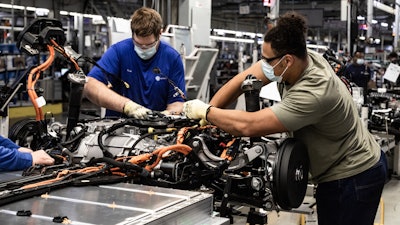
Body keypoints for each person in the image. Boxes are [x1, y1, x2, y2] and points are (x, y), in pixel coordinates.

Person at [183, 12, 386, 225]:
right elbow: (240, 80)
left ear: (287, 60)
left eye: (266, 60)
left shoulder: (316, 91)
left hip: (354, 174)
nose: (263, 65)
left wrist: (205, 112)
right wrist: (208, 114)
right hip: (336, 169)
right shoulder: (296, 60)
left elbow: (249, 125)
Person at [84, 7, 186, 119]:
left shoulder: (172, 58)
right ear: (132, 34)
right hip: (119, 127)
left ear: (160, 33)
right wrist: (127, 106)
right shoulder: (119, 52)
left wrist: (162, 117)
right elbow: (90, 84)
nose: (143, 49)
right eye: (138, 44)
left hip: (157, 130)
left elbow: (176, 104)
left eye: (149, 45)